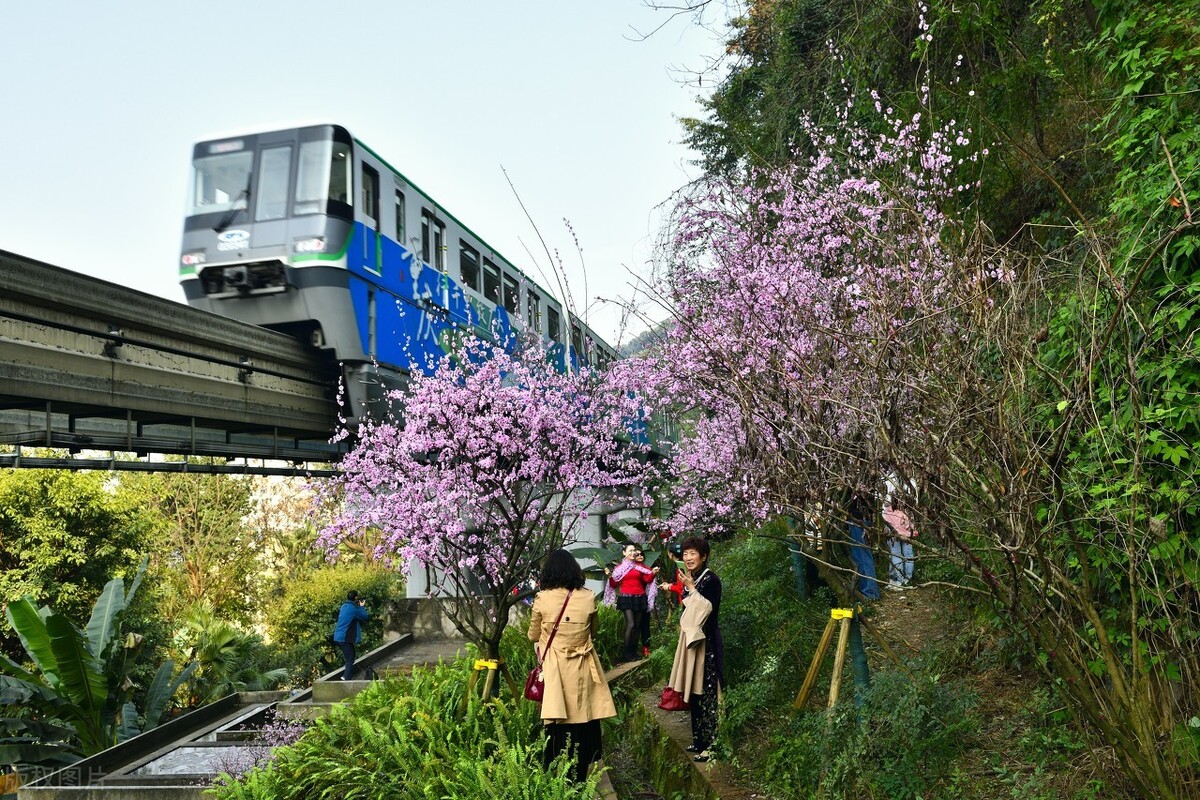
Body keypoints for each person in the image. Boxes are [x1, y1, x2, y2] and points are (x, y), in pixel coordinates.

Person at [528, 549, 617, 783]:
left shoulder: (542, 599)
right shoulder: (587, 597)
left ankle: (555, 772)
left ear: (548, 572)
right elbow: (593, 630)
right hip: (583, 665)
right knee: (584, 715)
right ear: (574, 571)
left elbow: (532, 635)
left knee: (558, 717)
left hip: (556, 668)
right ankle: (580, 772)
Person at [667, 536, 724, 762]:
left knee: (708, 691)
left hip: (707, 641)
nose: (688, 558)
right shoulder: (693, 578)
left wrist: (691, 589)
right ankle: (699, 739)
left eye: (693, 554)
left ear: (704, 556)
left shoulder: (711, 580)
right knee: (695, 691)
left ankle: (712, 745)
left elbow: (706, 609)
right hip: (693, 640)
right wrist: (688, 587)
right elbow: (686, 605)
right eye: (686, 554)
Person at [602, 544, 659, 661]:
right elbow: (614, 584)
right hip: (626, 597)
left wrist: (653, 572)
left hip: (640, 597)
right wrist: (609, 577)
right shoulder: (619, 567)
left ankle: (633, 653)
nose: (633, 553)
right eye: (630, 550)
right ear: (624, 553)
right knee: (631, 624)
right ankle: (626, 653)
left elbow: (647, 580)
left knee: (637, 626)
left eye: (634, 551)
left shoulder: (639, 567)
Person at [883, 471, 919, 590]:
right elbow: (915, 502)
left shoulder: (888, 478)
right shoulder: (911, 481)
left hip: (891, 521)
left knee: (895, 552)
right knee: (908, 553)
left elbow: (885, 502)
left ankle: (898, 581)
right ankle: (906, 580)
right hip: (908, 521)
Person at [846, 491, 881, 600]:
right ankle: (869, 591)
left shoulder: (857, 484)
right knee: (862, 556)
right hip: (862, 519)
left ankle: (870, 593)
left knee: (862, 557)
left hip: (859, 521)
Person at [332, 590, 368, 680]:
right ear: (356, 598)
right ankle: (346, 677)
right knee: (350, 657)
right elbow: (364, 617)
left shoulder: (344, 606)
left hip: (337, 637)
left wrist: (358, 606)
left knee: (351, 655)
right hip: (344, 638)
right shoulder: (354, 609)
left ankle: (346, 675)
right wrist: (362, 607)